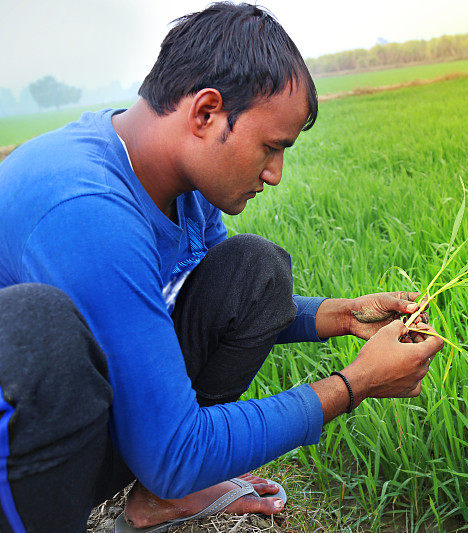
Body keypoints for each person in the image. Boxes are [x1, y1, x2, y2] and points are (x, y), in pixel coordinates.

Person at [0, 3, 444, 532]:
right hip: (25, 450)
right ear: (206, 113)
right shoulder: (86, 211)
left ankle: (166, 497)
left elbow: (220, 298)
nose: (275, 173)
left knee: (255, 271)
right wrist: (355, 385)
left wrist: (341, 316)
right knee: (43, 328)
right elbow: (174, 448)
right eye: (271, 147)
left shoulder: (181, 180)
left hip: (86, 418)